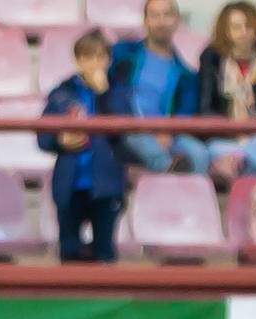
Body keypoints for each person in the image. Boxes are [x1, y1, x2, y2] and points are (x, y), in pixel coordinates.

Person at [44, 32, 129, 263]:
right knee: (69, 251)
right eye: (88, 57)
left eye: (100, 57)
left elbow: (123, 130)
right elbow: (43, 137)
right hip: (69, 184)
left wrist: (103, 95)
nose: (94, 63)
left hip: (107, 183)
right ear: (78, 60)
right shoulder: (61, 93)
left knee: (104, 253)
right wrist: (59, 140)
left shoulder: (118, 92)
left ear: (108, 60)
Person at [194, 1, 256, 183]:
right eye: (236, 27)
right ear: (226, 32)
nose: (244, 33)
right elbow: (205, 111)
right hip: (223, 140)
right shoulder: (212, 61)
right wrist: (236, 132)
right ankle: (251, 165)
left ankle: (243, 157)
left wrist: (250, 136)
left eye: (249, 26)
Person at [111, 0, 209, 174]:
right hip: (130, 127)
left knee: (199, 154)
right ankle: (169, 169)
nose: (161, 21)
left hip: (168, 132)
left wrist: (168, 133)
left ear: (177, 20)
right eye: (155, 16)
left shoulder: (186, 74)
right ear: (145, 20)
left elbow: (185, 113)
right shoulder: (122, 54)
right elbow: (107, 91)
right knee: (138, 137)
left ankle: (192, 198)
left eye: (167, 15)